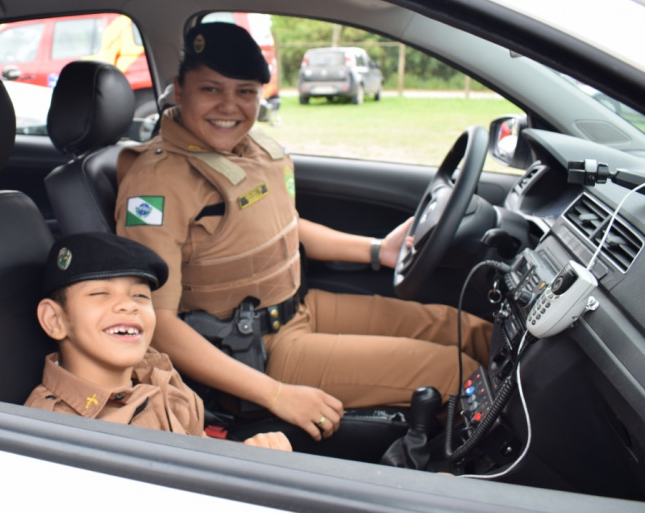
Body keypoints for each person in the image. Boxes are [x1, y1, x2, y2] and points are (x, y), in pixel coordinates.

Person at [114, 22, 492, 441]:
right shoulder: (158, 182)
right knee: (457, 372)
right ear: (179, 89)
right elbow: (156, 323)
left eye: (245, 92)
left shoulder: (253, 150)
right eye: (211, 89)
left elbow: (285, 227)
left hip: (298, 308)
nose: (229, 106)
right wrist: (277, 394)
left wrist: (377, 250)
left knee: (468, 331)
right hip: (254, 354)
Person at [25, 231, 291, 451]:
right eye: (100, 293)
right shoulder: (57, 433)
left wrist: (252, 456)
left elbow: (200, 446)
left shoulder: (156, 369)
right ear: (55, 320)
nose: (128, 306)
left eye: (140, 296)